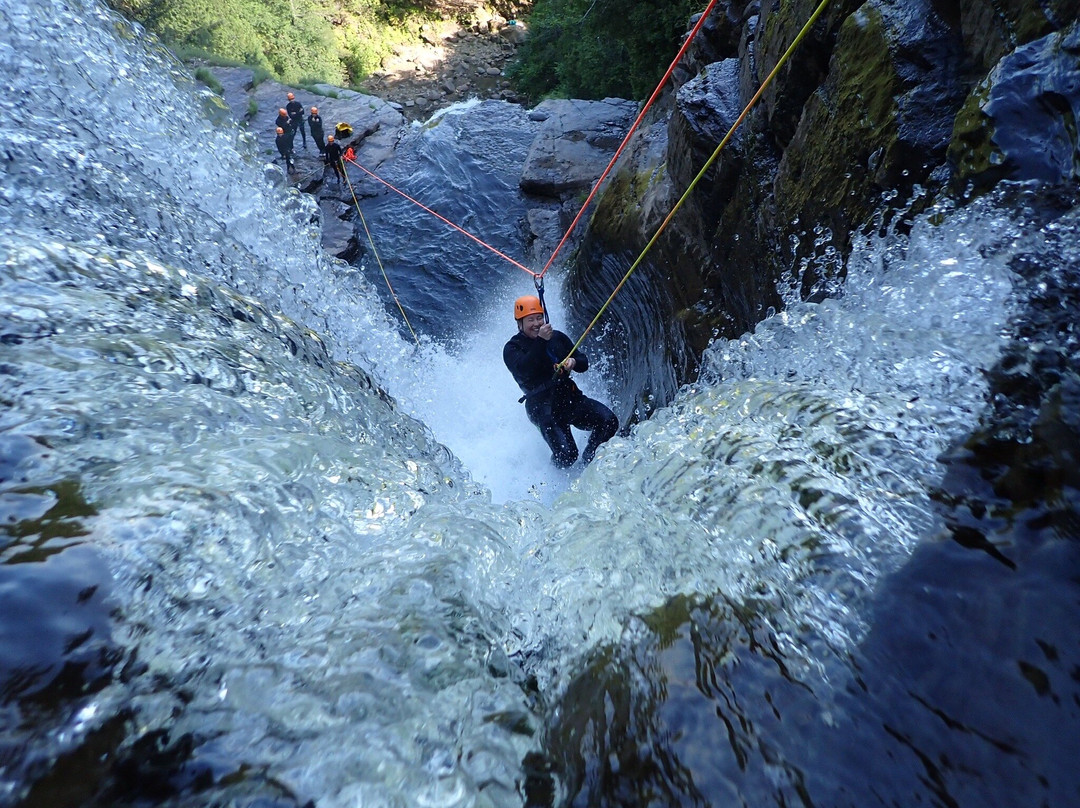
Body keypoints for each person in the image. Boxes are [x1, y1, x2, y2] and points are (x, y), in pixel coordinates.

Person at [503, 295, 618, 467]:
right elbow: (526, 369)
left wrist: (573, 362)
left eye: (539, 318)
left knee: (609, 421)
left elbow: (583, 362)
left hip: (570, 400)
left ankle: (589, 462)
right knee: (567, 455)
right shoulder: (512, 348)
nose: (536, 324)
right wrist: (541, 340)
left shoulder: (556, 338)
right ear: (520, 324)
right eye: (530, 320)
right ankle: (555, 476)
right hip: (543, 410)